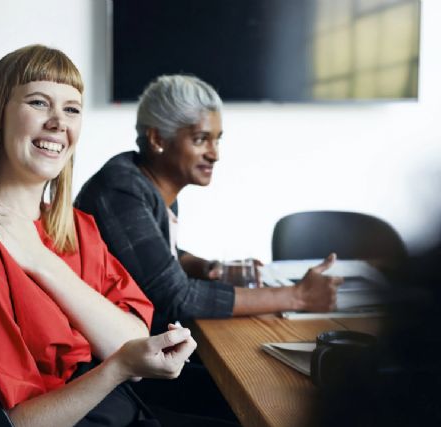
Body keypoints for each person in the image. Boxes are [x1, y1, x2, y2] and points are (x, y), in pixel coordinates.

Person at [0, 45, 197, 427]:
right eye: (39, 103)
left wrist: (42, 263)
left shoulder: (77, 228)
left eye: (71, 109)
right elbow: (18, 423)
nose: (59, 122)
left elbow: (132, 339)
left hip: (126, 410)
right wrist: (118, 367)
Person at [75, 74, 344, 334]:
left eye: (217, 139)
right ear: (157, 139)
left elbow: (158, 258)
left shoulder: (147, 184)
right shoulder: (121, 190)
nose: (215, 154)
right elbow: (177, 298)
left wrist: (208, 268)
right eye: (200, 139)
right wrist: (297, 296)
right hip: (117, 370)